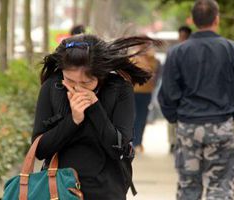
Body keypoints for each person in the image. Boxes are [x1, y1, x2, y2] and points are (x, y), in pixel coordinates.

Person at [32, 34, 160, 199]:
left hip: (107, 189)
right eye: (70, 80)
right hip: (59, 189)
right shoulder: (52, 87)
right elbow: (40, 150)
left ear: (101, 75)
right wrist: (73, 121)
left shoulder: (119, 88)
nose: (77, 88)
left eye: (86, 83)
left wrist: (94, 108)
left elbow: (119, 148)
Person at [158, 0, 234, 199]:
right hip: (221, 123)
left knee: (188, 185)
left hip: (188, 125)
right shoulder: (232, 50)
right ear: (216, 19)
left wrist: (176, 118)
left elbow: (167, 93)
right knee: (220, 184)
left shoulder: (177, 52)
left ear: (192, 20)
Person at [168, 25, 193, 153]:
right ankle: (173, 143)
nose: (181, 39)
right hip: (176, 94)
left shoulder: (193, 52)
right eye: (180, 36)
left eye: (184, 37)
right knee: (172, 122)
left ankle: (180, 143)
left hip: (187, 95)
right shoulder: (173, 52)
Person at [132, 44, 160, 152]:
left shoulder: (151, 58)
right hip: (135, 91)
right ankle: (135, 142)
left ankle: (138, 142)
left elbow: (154, 71)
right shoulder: (133, 57)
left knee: (141, 117)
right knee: (136, 117)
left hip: (145, 92)